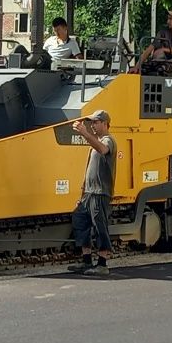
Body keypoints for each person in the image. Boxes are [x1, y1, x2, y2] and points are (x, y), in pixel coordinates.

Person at [67, 109, 116, 274]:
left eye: (96, 122)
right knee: (80, 221)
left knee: (100, 226)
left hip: (100, 192)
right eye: (92, 122)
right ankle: (87, 260)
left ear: (105, 123)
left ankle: (102, 264)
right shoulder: (95, 142)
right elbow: (88, 169)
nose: (93, 125)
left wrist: (85, 133)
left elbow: (103, 150)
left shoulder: (109, 141)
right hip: (88, 193)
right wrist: (82, 194)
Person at [140, 6, 172, 74]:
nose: (168, 21)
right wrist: (137, 66)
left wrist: (164, 49)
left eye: (171, 19)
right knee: (144, 68)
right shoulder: (163, 32)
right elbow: (149, 49)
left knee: (162, 69)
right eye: (168, 19)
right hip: (163, 60)